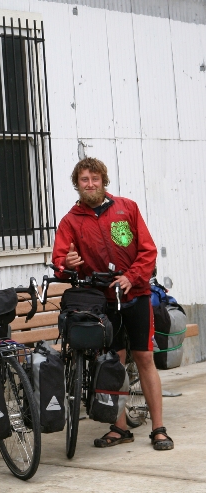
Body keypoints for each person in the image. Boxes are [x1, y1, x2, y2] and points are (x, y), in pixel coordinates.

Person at [52, 157, 172, 450]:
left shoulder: (126, 208)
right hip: (102, 302)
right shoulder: (70, 221)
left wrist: (132, 276)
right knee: (113, 362)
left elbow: (148, 250)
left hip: (136, 295)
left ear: (103, 181)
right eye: (84, 179)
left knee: (144, 358)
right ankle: (120, 428)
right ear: (77, 184)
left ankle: (159, 429)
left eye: (95, 179)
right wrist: (67, 264)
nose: (90, 184)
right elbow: (59, 263)